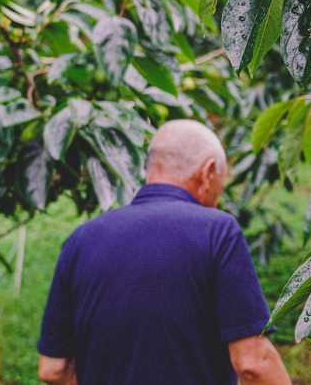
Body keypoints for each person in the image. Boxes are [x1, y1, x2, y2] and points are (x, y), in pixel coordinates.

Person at [37, 119, 291, 385]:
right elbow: (253, 363)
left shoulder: (80, 240)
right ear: (208, 172)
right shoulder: (217, 232)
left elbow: (52, 368)